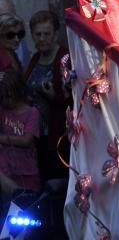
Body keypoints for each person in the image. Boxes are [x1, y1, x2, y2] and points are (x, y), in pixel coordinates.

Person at [24, 11, 69, 188]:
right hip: (36, 137)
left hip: (56, 136)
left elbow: (75, 99)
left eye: (46, 34)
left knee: (55, 185)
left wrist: (54, 97)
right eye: (38, 34)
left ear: (55, 34)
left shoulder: (65, 58)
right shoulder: (35, 58)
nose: (42, 38)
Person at [0, 69, 41, 194]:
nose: (6, 101)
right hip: (6, 171)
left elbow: (26, 140)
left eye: (9, 96)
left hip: (27, 171)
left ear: (18, 92)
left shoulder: (31, 113)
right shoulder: (2, 111)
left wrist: (2, 138)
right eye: (2, 97)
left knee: (26, 203)